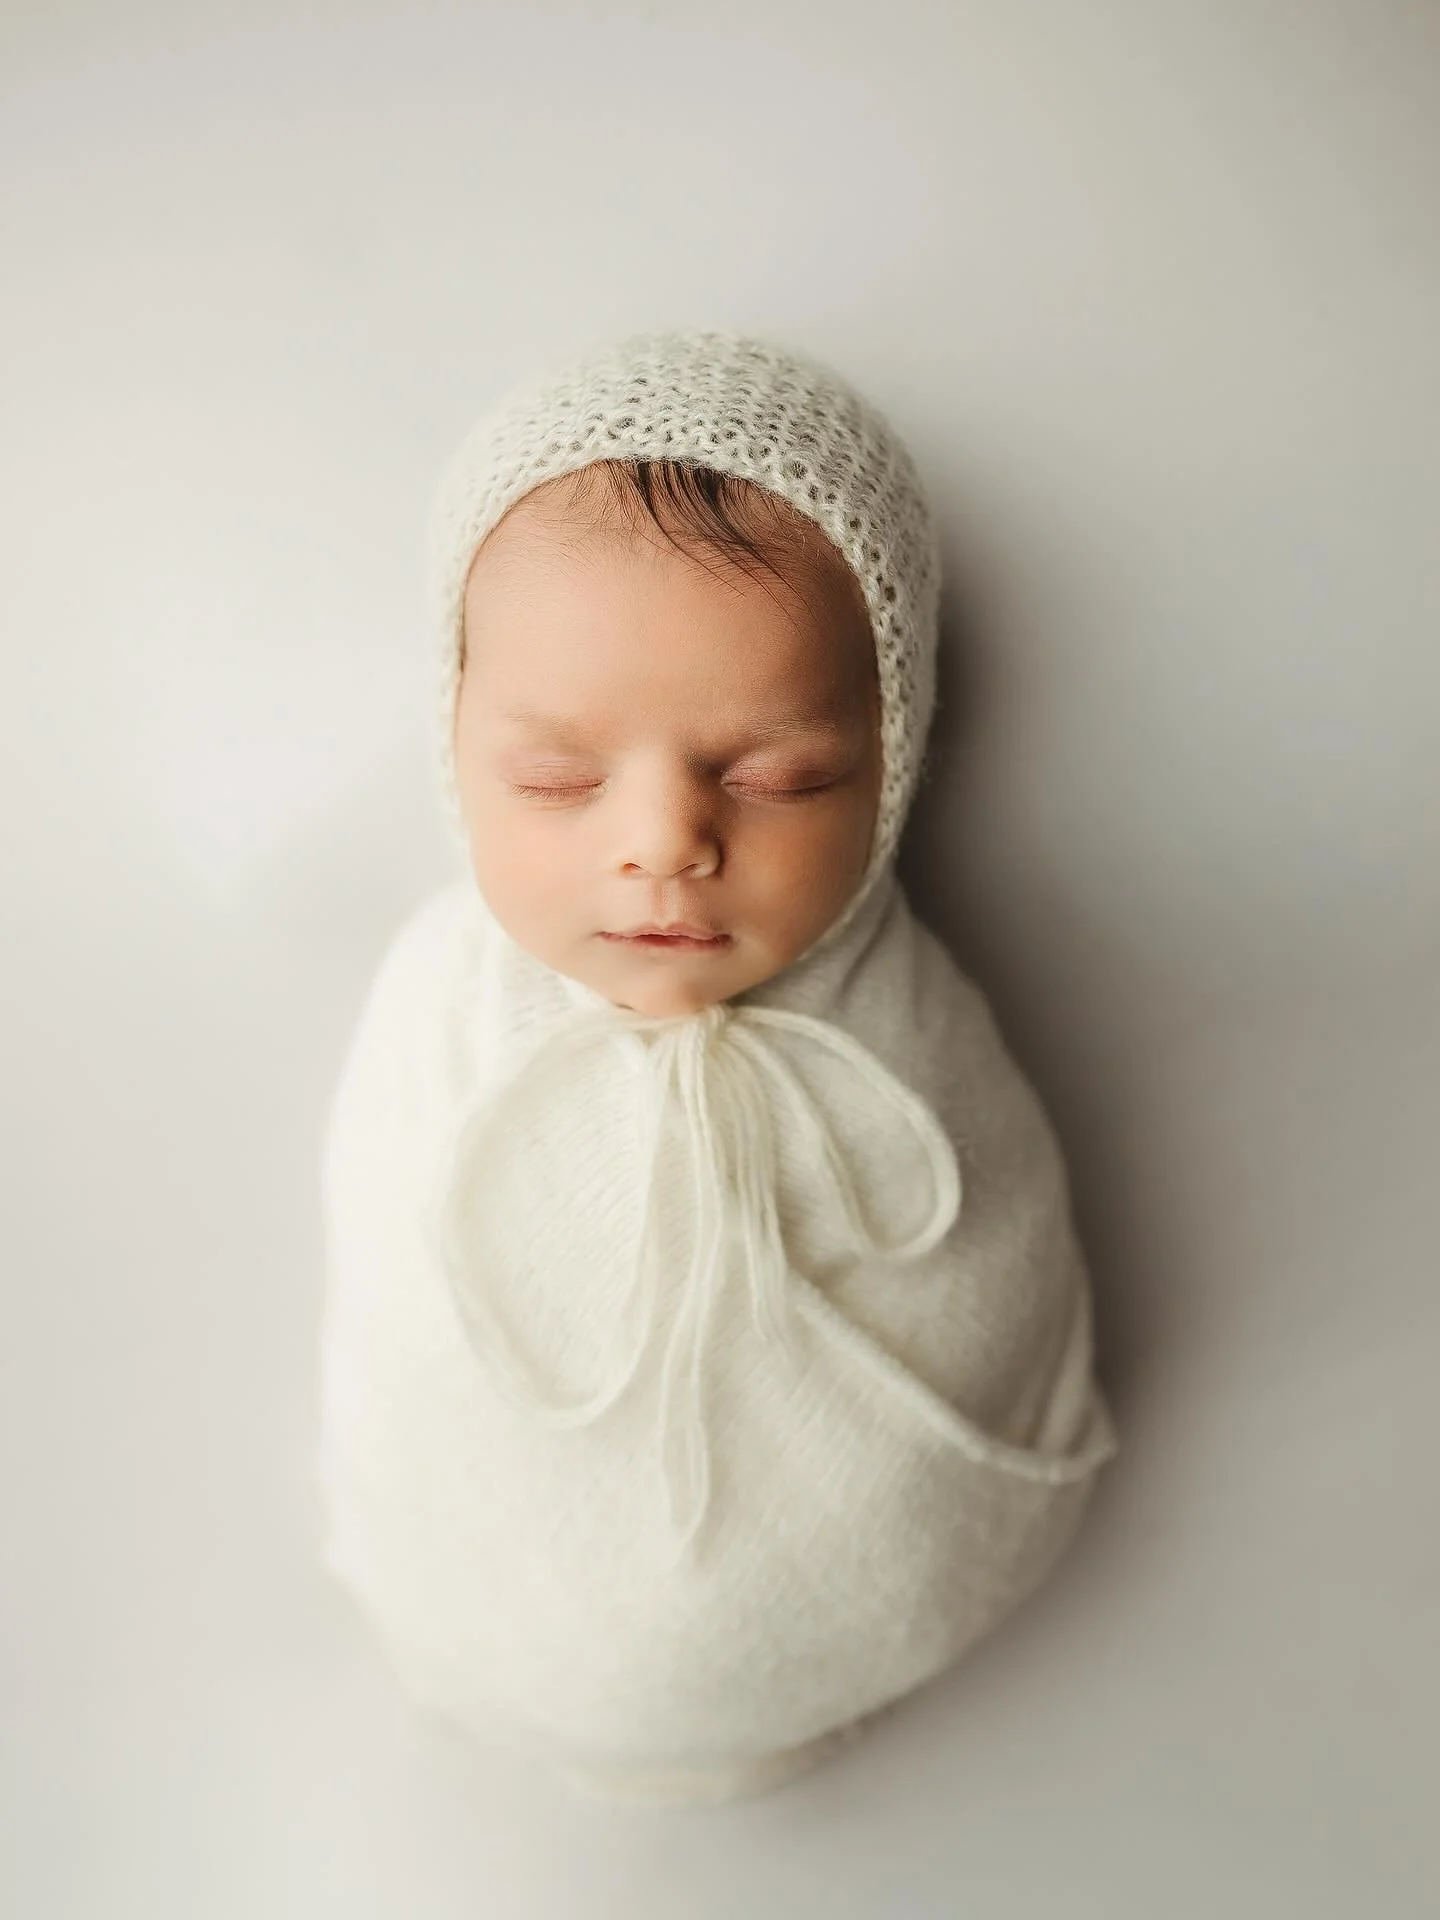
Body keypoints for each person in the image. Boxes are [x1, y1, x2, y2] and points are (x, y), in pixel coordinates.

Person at [315, 329, 1119, 1805]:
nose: (663, 841)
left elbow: (987, 1276)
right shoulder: (440, 1005)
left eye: (775, 776)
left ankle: (778, 1667)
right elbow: (398, 1316)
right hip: (477, 1627)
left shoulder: (908, 1038)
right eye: (558, 776)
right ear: (454, 743)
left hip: (854, 1649)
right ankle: (517, 1651)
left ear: (895, 755)